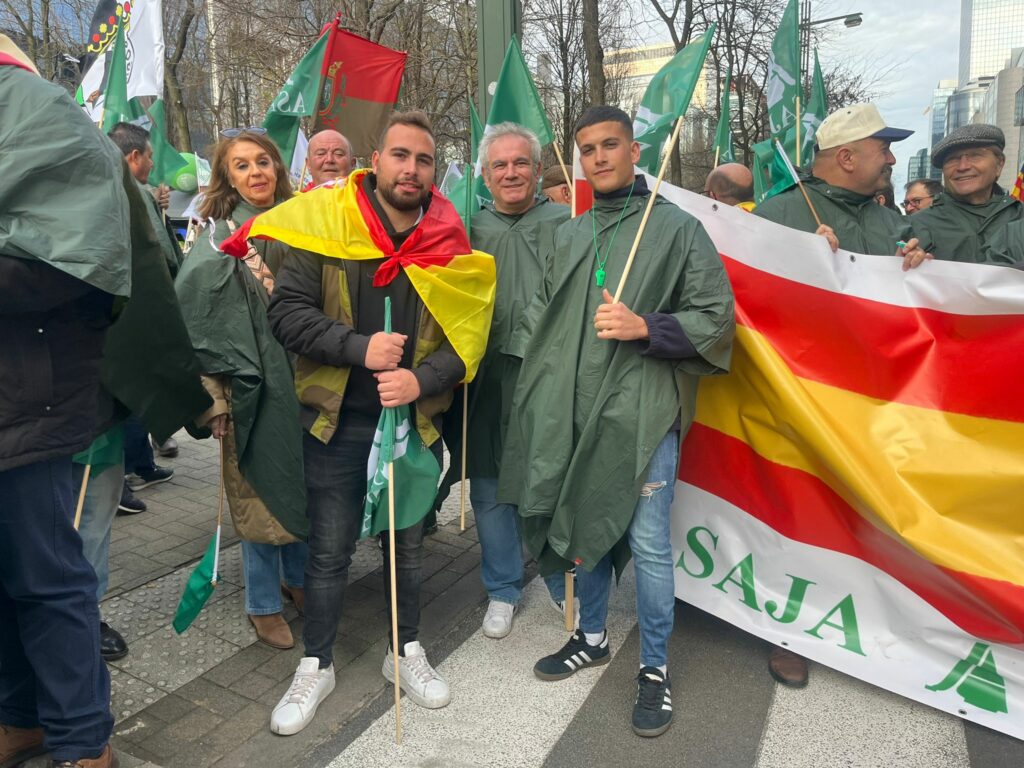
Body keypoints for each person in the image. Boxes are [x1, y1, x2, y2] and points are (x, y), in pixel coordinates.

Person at [499, 105, 734, 738]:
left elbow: (716, 317)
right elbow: (543, 320)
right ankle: (593, 636)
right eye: (587, 148)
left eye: (611, 145)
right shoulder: (570, 234)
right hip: (572, 409)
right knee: (578, 521)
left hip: (643, 413)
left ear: (636, 152)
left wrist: (646, 326)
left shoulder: (678, 229)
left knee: (652, 545)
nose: (599, 156)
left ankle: (653, 668)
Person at [259, 111, 494, 735]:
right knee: (329, 553)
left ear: (432, 169)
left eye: (422, 159)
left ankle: (404, 651)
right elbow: (286, 315)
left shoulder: (448, 241)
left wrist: (423, 380)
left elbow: (466, 339)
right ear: (376, 158)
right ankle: (317, 662)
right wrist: (356, 346)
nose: (410, 169)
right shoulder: (327, 226)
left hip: (410, 428)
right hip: (335, 426)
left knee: (407, 551)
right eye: (400, 155)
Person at [0, 38, 125, 768]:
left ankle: (84, 742)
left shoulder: (46, 115)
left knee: (46, 580)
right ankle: (23, 718)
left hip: (29, 400)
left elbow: (77, 261)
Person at [175, 129, 310, 651]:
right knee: (259, 498)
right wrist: (214, 403)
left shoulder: (305, 227)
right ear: (227, 177)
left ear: (277, 167)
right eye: (241, 165)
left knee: (305, 492)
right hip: (251, 398)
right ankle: (262, 604)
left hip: (308, 387)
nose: (255, 172)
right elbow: (198, 330)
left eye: (263, 162)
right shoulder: (214, 244)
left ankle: (296, 578)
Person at [468, 122, 572, 639]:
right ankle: (503, 587)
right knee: (488, 485)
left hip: (546, 373)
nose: (511, 173)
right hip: (483, 377)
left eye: (521, 163)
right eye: (499, 165)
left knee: (548, 476)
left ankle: (558, 578)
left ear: (537, 168)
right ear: (485, 175)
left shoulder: (568, 223)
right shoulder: (466, 229)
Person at [754, 103, 928, 269]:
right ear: (847, 159)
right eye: (884, 150)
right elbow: (746, 291)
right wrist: (804, 265)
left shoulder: (898, 225)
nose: (892, 160)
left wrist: (915, 271)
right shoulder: (774, 217)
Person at [902, 124, 1023, 265]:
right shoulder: (915, 225)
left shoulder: (1019, 216)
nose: (963, 166)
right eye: (953, 159)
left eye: (975, 156)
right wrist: (909, 262)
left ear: (999, 164)